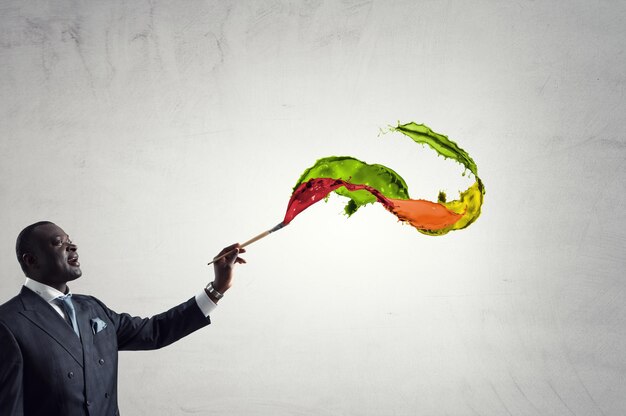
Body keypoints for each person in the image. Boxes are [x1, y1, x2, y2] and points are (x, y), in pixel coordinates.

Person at [0, 221, 245, 416]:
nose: (72, 247)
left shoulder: (92, 308)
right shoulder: (8, 323)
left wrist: (217, 288)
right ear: (31, 260)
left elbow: (155, 331)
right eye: (58, 243)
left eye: (71, 242)